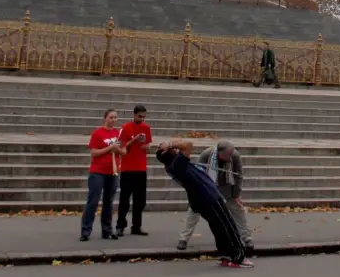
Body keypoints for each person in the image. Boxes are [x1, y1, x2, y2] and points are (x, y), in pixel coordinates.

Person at [155, 141, 253, 268]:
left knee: (219, 228)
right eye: (172, 150)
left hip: (205, 197)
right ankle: (238, 257)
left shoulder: (174, 165)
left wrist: (169, 147)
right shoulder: (177, 163)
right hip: (208, 197)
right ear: (169, 153)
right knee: (228, 226)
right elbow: (188, 144)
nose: (175, 149)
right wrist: (170, 144)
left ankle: (225, 255)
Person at [177, 139, 252, 253]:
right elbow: (198, 173)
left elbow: (239, 176)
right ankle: (184, 239)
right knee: (194, 211)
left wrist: (236, 195)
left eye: (232, 154)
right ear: (220, 154)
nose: (231, 157)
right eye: (228, 155)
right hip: (206, 186)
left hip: (226, 187)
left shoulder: (235, 155)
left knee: (238, 210)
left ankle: (246, 238)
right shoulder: (206, 155)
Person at [81, 108, 126, 241]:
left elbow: (124, 152)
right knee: (93, 202)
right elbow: (94, 152)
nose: (113, 120)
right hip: (98, 172)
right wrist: (109, 148)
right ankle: (85, 231)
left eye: (115, 118)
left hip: (112, 172)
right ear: (105, 118)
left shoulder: (118, 134)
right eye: (111, 117)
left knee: (108, 202)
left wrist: (117, 149)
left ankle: (107, 230)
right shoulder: (97, 133)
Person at [115, 104, 153, 237]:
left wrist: (147, 147)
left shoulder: (146, 128)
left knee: (140, 200)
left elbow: (148, 144)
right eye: (139, 116)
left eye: (143, 116)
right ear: (134, 114)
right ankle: (120, 225)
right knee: (124, 199)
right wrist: (134, 140)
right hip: (128, 168)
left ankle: (136, 226)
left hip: (141, 168)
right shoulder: (126, 128)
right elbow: (122, 148)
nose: (141, 119)